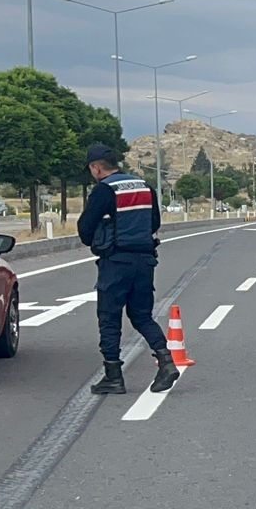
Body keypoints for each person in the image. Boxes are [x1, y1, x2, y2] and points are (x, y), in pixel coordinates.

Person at [76, 144, 179, 395]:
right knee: (142, 315)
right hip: (145, 261)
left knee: (109, 318)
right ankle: (166, 362)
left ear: (96, 167)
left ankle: (113, 376)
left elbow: (85, 230)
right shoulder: (145, 186)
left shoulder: (104, 190)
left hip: (115, 262)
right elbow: (154, 222)